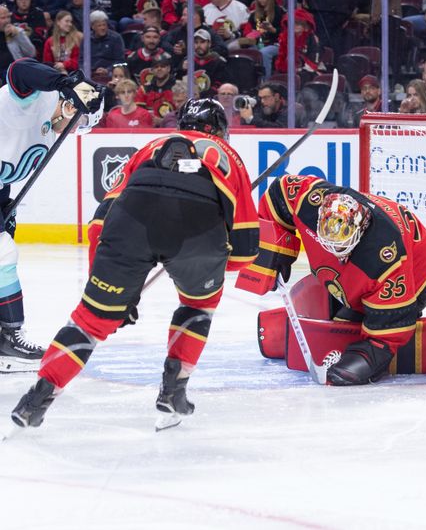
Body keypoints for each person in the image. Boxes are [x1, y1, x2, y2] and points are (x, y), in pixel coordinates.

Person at [11, 98, 259, 430]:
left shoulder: (150, 147)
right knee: (198, 306)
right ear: (218, 129)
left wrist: (111, 289)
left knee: (90, 320)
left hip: (131, 222)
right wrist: (208, 265)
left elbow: (100, 222)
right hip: (198, 230)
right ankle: (174, 390)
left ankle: (36, 399)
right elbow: (244, 250)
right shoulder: (229, 157)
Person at [237, 173, 426, 386]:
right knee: (339, 310)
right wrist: (274, 249)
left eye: (341, 247)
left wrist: (372, 352)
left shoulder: (386, 255)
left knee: (369, 322)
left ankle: (368, 340)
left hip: (418, 273)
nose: (333, 253)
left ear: (360, 230)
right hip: (370, 250)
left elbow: (393, 318)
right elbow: (278, 193)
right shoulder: (311, 199)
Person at [0, 58, 103, 372]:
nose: (70, 126)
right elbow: (19, 69)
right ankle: (8, 339)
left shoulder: (56, 126)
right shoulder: (34, 98)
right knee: (3, 255)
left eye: (79, 124)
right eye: (73, 115)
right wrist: (64, 82)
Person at [0, 4, 36, 78]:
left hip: (17, 71)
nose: (7, 21)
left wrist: (18, 35)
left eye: (8, 17)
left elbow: (32, 53)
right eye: (3, 18)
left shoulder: (18, 31)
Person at [88, 10, 125, 79]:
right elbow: (82, 60)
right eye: (99, 25)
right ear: (92, 26)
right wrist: (90, 70)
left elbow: (120, 60)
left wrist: (108, 69)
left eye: (104, 25)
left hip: (111, 72)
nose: (103, 28)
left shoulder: (116, 38)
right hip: (91, 72)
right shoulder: (86, 39)